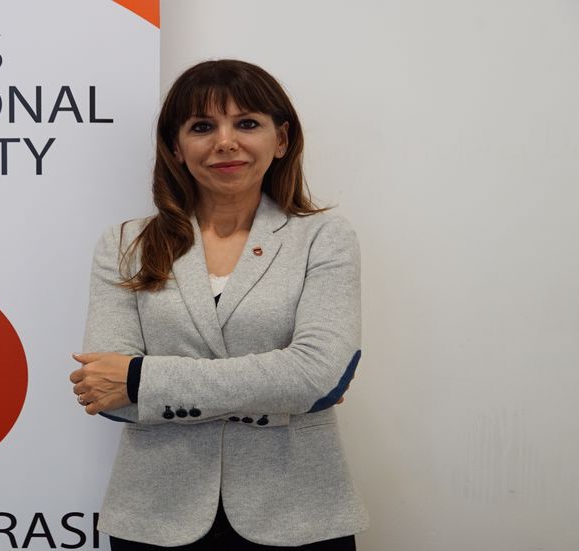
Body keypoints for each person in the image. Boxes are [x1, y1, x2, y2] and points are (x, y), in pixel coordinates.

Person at [69, 60, 367, 550]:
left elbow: (316, 375)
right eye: (202, 127)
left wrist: (142, 380)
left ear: (281, 139)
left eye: (246, 123)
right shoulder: (126, 244)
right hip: (155, 514)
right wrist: (277, 390)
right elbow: (106, 392)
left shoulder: (324, 238)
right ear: (176, 147)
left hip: (299, 513)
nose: (225, 142)